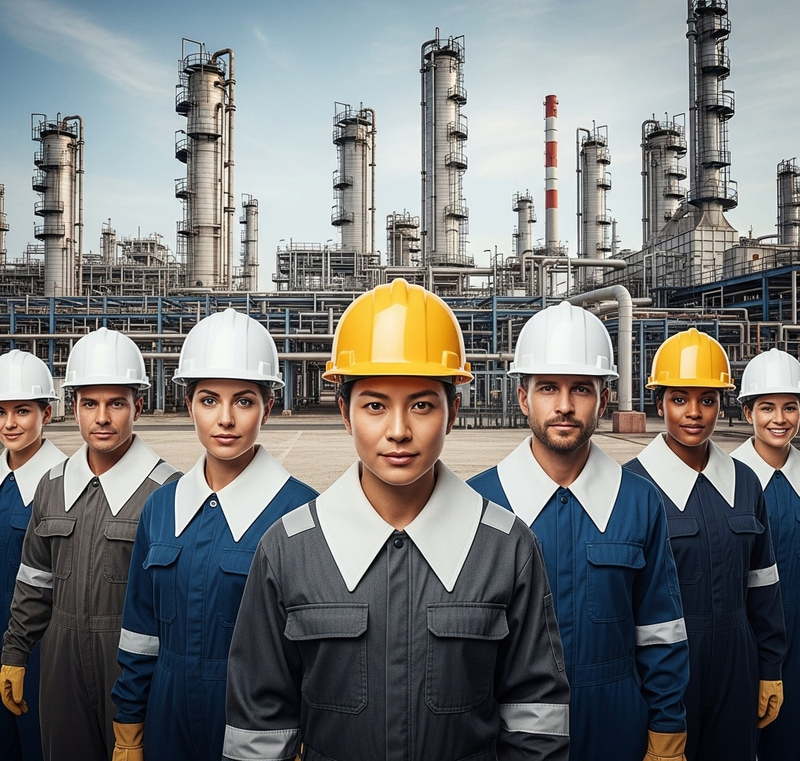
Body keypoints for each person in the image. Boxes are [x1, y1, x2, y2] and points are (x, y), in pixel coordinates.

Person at [223, 279, 571, 761]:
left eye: (423, 405)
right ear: (344, 413)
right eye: (375, 405)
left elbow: (537, 720)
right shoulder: (287, 550)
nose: (399, 430)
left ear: (452, 414)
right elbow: (258, 730)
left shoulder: (506, 547)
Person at [469, 301, 689, 761]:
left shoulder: (639, 501)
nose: (565, 406)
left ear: (604, 400)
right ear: (523, 397)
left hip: (616, 728)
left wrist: (668, 727)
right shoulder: (476, 504)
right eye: (548, 388)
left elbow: (661, 630)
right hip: (506, 735)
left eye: (582, 390)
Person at [110, 309, 318, 761]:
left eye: (244, 400)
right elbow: (140, 633)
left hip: (259, 729)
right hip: (166, 720)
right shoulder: (160, 508)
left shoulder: (304, 515)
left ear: (269, 405)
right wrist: (128, 726)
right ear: (189, 406)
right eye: (208, 400)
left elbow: (316, 654)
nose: (225, 418)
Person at [1, 328, 180, 761]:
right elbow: (34, 580)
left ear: (138, 406)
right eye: (89, 404)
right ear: (74, 408)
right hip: (59, 664)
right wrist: (16, 651)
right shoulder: (52, 485)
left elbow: (171, 609)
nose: (102, 417)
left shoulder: (168, 492)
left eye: (116, 403)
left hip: (132, 670)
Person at [625, 328, 786, 761]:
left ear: (722, 405)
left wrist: (769, 667)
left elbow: (763, 584)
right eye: (679, 399)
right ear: (658, 403)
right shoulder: (629, 487)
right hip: (662, 672)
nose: (694, 413)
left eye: (708, 399)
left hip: (738, 662)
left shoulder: (745, 481)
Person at [729, 348, 799, 761]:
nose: (779, 418)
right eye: (767, 407)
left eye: (790, 407)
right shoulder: (725, 478)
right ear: (747, 411)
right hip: (745, 646)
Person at [0, 350, 66, 761]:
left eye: (22, 411)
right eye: (0, 411)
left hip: (44, 655)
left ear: (46, 411)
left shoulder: (68, 482)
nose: (9, 423)